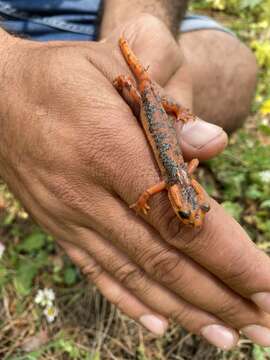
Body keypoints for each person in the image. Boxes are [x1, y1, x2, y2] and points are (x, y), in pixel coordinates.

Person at [0, 0, 269, 351]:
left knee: (229, 70)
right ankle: (123, 79)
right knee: (140, 91)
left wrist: (131, 30)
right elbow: (154, 190)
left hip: (92, 24)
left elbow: (179, 175)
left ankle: (121, 63)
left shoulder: (176, 180)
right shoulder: (172, 182)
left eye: (189, 212)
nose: (189, 216)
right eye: (188, 212)